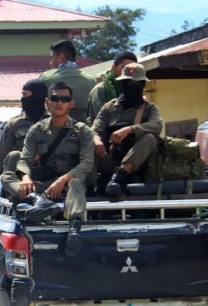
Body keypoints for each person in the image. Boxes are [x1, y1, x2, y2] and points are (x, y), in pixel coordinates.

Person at [0, 81, 94, 255]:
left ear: (71, 103)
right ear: (47, 102)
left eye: (64, 99)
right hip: (44, 183)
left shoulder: (82, 131)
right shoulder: (36, 130)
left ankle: (74, 229)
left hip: (69, 181)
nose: (59, 103)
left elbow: (87, 163)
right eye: (55, 98)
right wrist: (26, 177)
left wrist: (63, 180)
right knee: (6, 177)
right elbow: (25, 158)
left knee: (76, 183)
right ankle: (36, 200)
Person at [91, 63, 163, 198]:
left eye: (136, 83)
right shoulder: (109, 107)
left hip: (140, 162)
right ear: (121, 83)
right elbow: (95, 129)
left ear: (143, 85)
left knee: (150, 138)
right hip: (111, 157)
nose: (132, 86)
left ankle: (120, 176)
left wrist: (130, 129)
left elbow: (157, 125)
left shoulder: (149, 108)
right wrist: (96, 140)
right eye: (127, 82)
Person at [0, 78, 48, 209]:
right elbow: (0, 158)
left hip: (47, 176)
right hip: (19, 178)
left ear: (39, 96)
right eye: (22, 95)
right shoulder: (14, 123)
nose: (23, 99)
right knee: (13, 155)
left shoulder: (55, 120)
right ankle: (26, 197)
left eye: (26, 95)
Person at [39, 39, 96, 122]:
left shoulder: (45, 78)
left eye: (52, 58)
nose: (50, 63)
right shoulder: (91, 80)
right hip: (82, 131)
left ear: (61, 57)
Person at [87, 51, 138, 124]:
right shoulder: (101, 90)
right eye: (124, 67)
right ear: (113, 67)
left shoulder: (133, 90)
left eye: (132, 69)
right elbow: (102, 119)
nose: (128, 71)